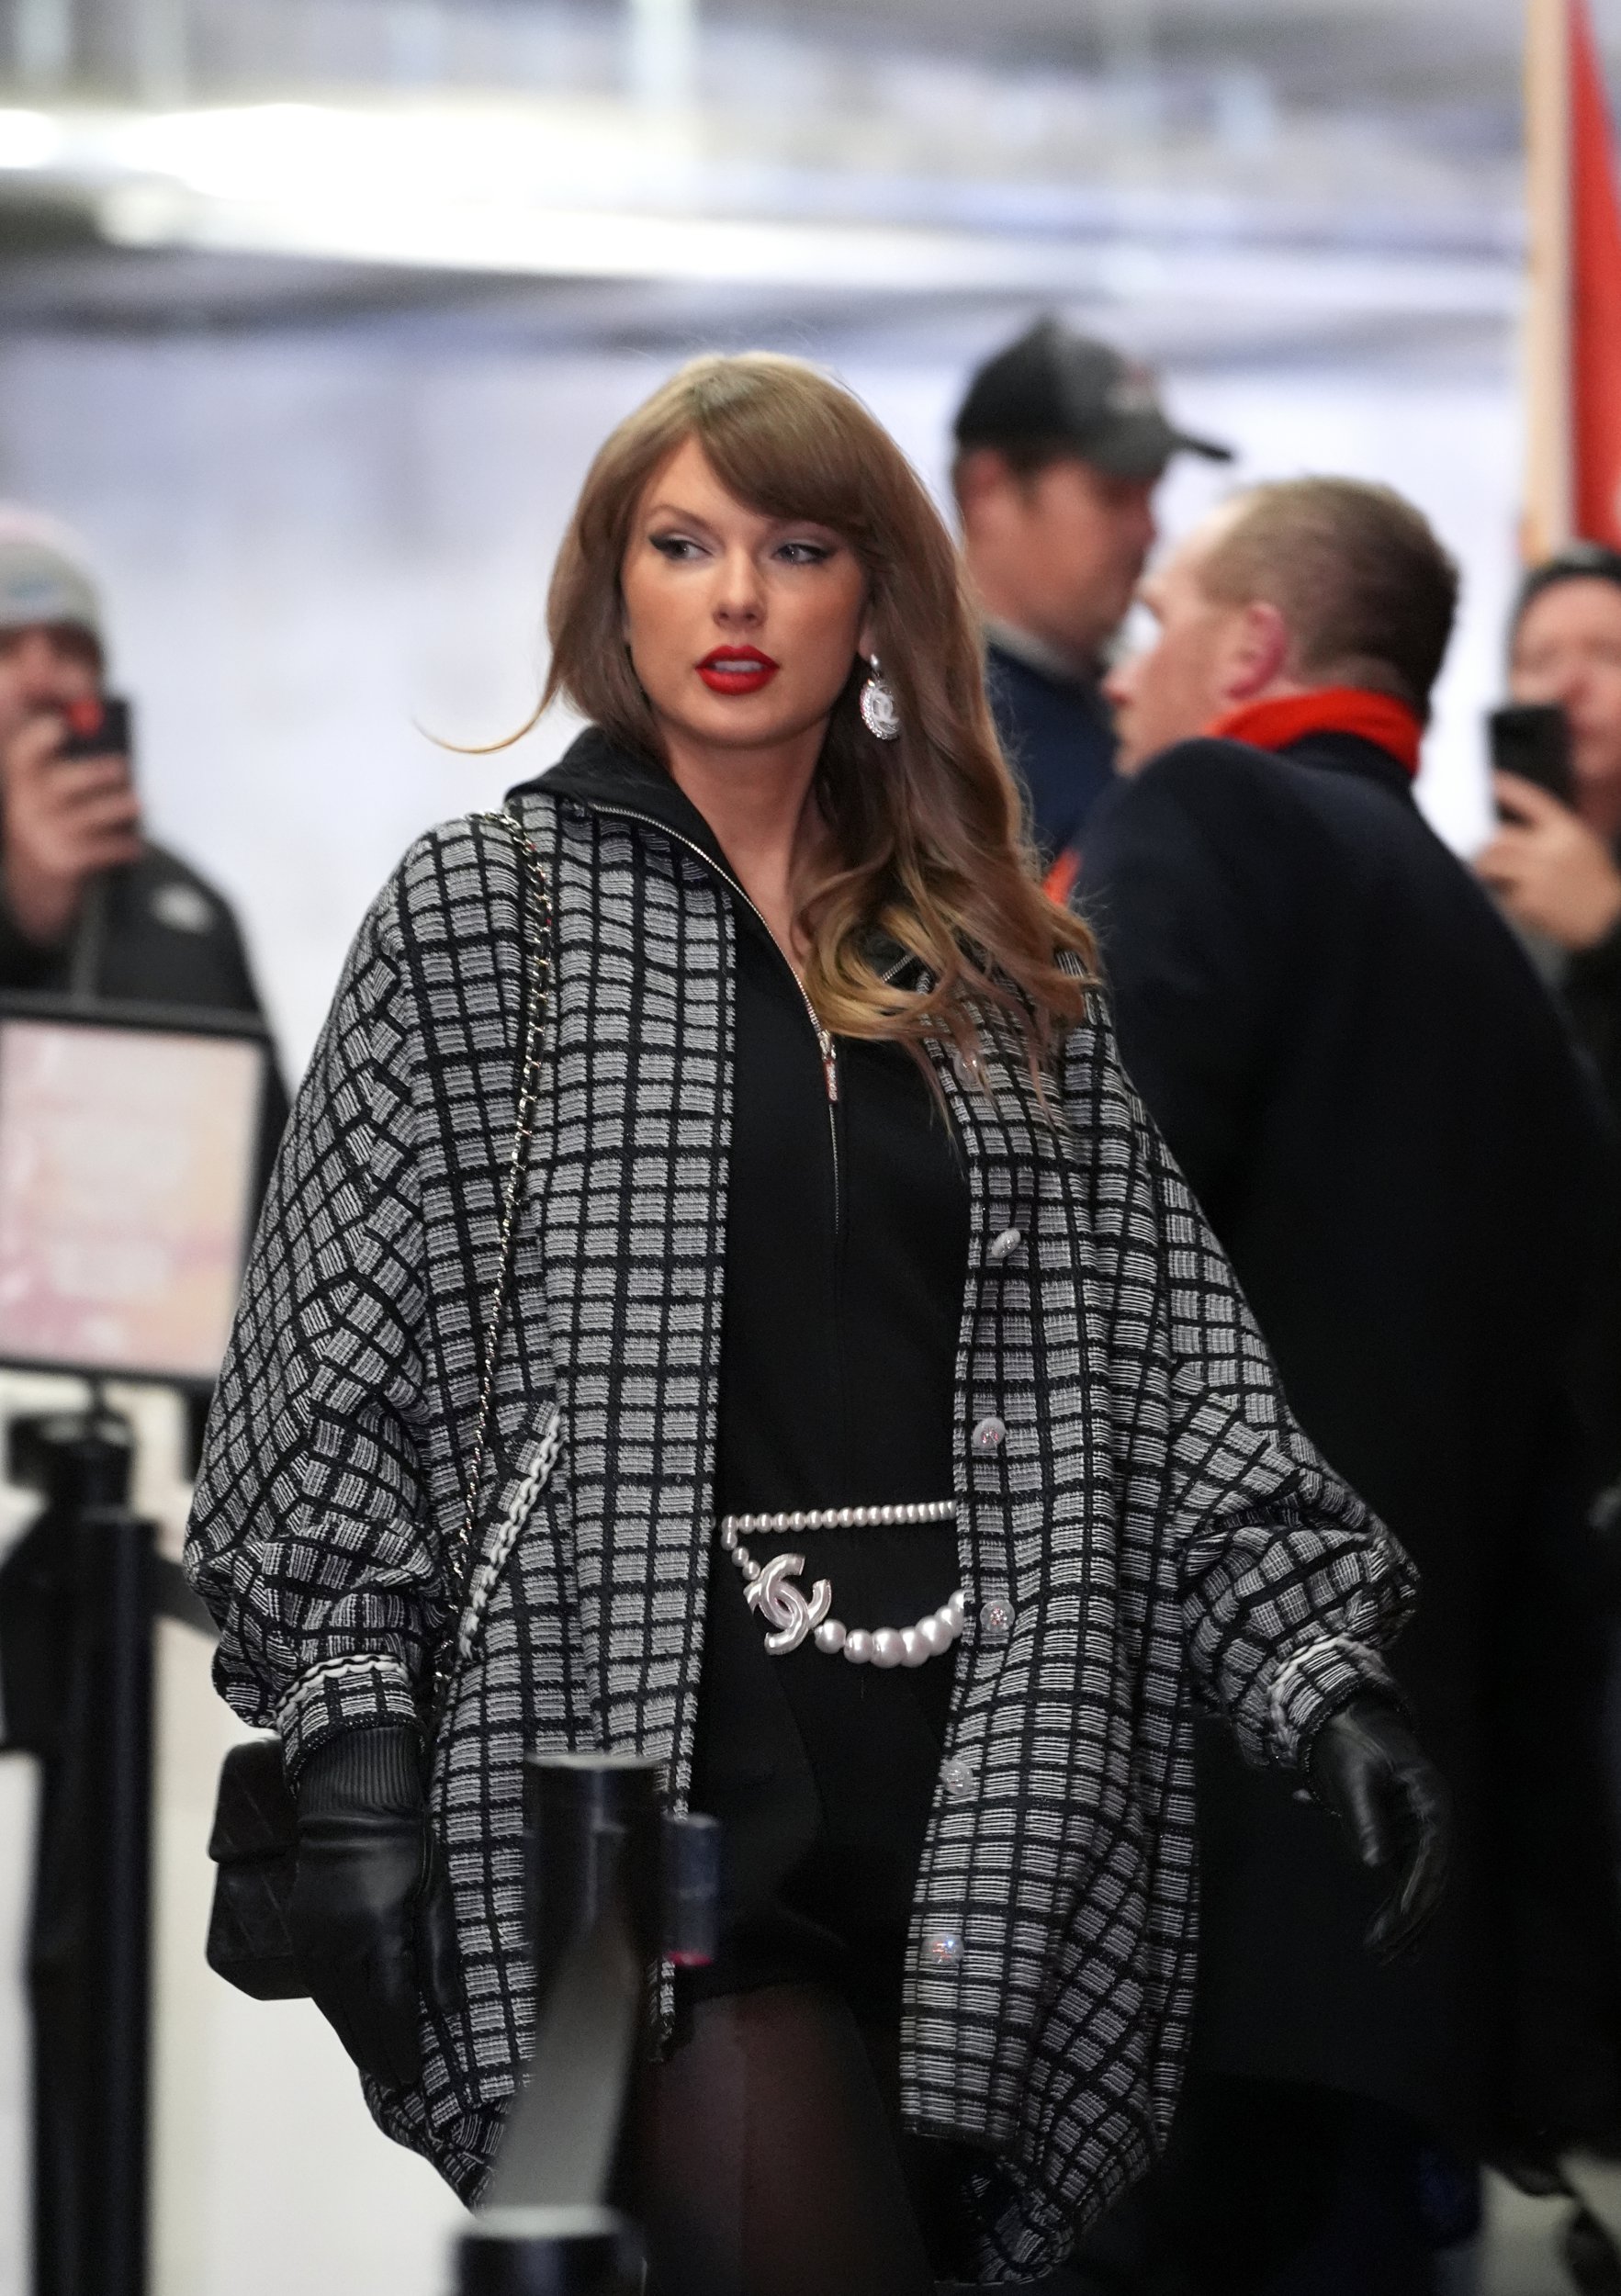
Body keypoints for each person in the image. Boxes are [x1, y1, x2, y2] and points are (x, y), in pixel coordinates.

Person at [185, 361, 1447, 2294]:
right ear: (614, 597)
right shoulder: (484, 919)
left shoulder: (992, 958)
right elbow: (328, 1362)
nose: (740, 598)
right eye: (682, 547)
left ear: (876, 597)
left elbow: (1168, 1350)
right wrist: (353, 1735)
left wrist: (1313, 1669)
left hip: (990, 1785)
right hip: (644, 1762)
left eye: (794, 547)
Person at [1080, 478, 1621, 2291]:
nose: (1126, 674)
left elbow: (1087, 1275)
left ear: (1251, 649)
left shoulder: (1207, 813)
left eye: (1161, 624)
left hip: (1160, 1882)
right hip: (1403, 1932)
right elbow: (1550, 1520)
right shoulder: (1514, 998)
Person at [0, 511, 283, 1059]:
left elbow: (279, 1135)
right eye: (5, 648)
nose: (41, 679)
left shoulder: (195, 911)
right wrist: (22, 917)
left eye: (69, 648)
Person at [951, 317, 1231, 864]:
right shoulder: (927, 720)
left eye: (1152, 496)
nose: (1150, 531)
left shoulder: (1139, 700)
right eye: (1113, 496)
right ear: (989, 493)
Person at [1480, 540, 1621, 1131]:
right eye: (1539, 662)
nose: (1568, 685)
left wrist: (1609, 938)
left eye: (1608, 654)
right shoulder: (1462, 898)